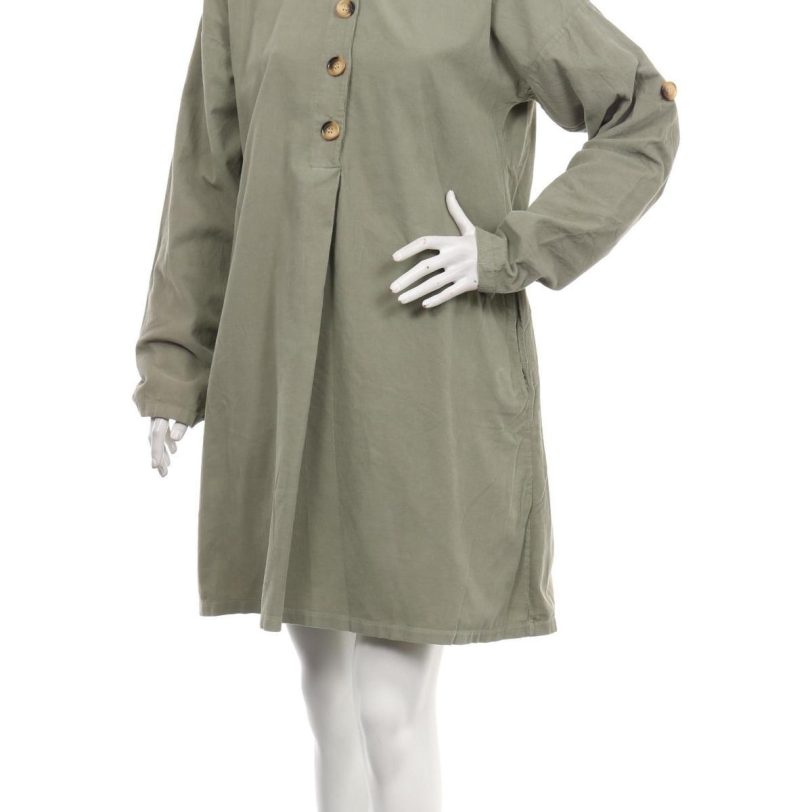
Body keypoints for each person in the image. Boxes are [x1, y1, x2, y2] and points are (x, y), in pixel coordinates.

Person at [133, 1, 680, 809]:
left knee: (388, 705)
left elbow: (643, 112)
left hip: (421, 378)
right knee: (326, 695)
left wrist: (511, 248)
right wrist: (175, 367)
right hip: (282, 368)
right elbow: (207, 181)